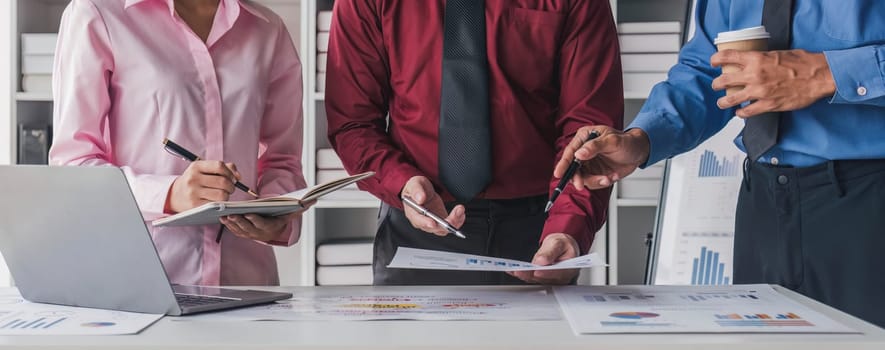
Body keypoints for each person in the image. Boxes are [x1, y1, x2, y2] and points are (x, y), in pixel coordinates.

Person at [556, 0, 885, 327]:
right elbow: (707, 70)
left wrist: (826, 74)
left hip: (870, 202)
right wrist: (642, 139)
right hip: (762, 204)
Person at [325, 0, 623, 285]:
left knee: (539, 340)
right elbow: (353, 123)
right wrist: (402, 184)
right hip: (418, 227)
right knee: (410, 340)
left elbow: (589, 129)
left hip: (540, 231)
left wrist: (569, 227)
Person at [49, 0, 306, 286]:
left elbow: (283, 159)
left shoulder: (267, 28)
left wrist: (277, 211)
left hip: (248, 285)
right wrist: (169, 194)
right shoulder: (97, 14)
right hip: (143, 285)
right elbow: (73, 165)